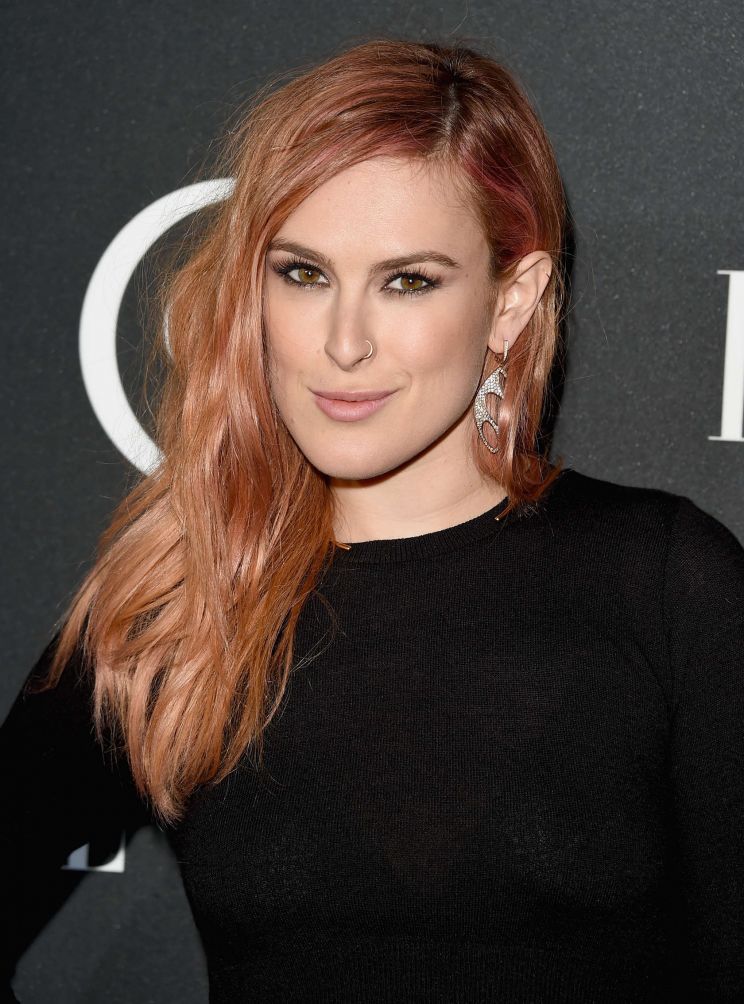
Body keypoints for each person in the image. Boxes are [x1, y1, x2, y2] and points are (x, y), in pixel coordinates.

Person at [1, 36, 743, 1004]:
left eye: (408, 280)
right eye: (304, 274)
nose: (343, 342)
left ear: (510, 302)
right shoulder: (174, 602)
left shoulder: (665, 582)